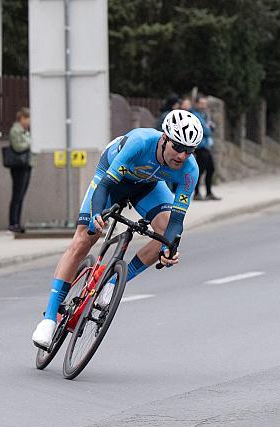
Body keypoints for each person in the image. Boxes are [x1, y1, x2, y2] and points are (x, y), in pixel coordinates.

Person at [31, 110, 203, 349]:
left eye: (189, 150)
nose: (182, 155)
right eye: (178, 146)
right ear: (164, 137)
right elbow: (105, 185)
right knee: (84, 239)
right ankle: (49, 319)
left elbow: (176, 221)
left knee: (166, 237)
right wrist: (97, 214)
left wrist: (170, 247)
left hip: (148, 185)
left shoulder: (189, 170)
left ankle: (111, 283)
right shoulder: (140, 143)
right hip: (111, 179)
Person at [7, 107, 32, 233]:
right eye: (27, 118)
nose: (29, 121)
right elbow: (18, 146)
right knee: (17, 195)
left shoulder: (24, 130)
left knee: (21, 195)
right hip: (18, 166)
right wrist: (31, 143)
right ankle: (13, 223)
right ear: (21, 118)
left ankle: (17, 222)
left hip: (26, 165)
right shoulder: (16, 130)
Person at [191, 96, 220, 201]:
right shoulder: (195, 115)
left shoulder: (204, 115)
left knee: (211, 169)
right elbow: (206, 131)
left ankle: (208, 192)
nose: (204, 105)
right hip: (200, 147)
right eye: (202, 103)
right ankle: (197, 193)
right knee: (200, 170)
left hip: (206, 146)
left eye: (205, 103)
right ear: (197, 104)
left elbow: (211, 127)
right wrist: (209, 128)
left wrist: (209, 127)